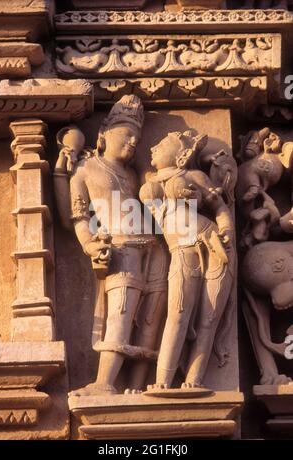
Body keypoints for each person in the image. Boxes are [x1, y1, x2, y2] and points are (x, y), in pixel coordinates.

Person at [54, 95, 168, 394]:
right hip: (120, 248)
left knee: (150, 318)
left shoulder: (133, 173)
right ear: (103, 135)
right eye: (126, 134)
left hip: (154, 250)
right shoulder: (85, 169)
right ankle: (104, 383)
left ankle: (137, 386)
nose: (132, 142)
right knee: (121, 313)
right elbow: (76, 217)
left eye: (137, 138)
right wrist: (90, 246)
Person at [140, 130, 235, 389]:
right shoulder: (148, 180)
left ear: (181, 156)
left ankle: (193, 381)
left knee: (208, 318)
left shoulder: (193, 176)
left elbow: (221, 209)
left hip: (212, 243)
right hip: (180, 249)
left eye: (160, 144)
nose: (153, 149)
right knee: (178, 314)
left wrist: (226, 231)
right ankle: (162, 382)